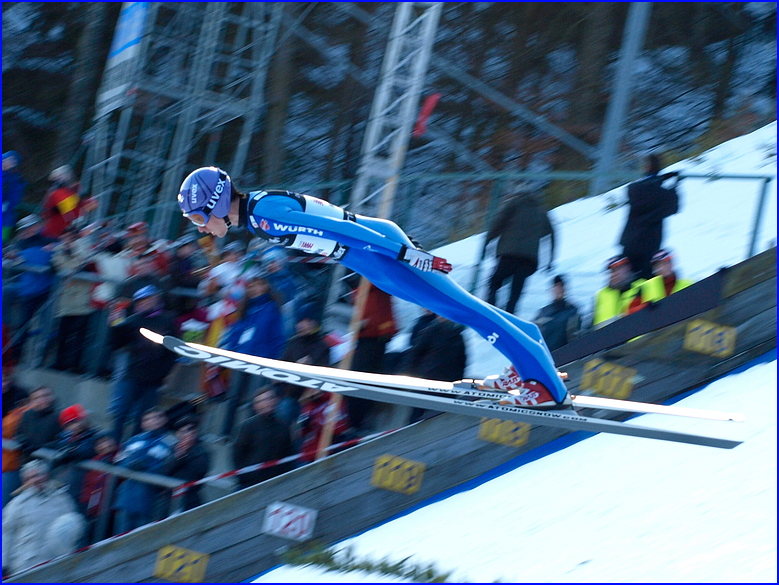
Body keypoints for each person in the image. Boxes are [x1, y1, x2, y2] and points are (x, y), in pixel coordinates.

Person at [175, 167, 570, 409]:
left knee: (461, 310)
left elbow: (345, 229)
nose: (199, 227)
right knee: (460, 307)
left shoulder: (265, 213)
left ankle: (546, 384)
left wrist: (405, 254)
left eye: (197, 217)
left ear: (215, 202)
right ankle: (529, 356)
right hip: (367, 258)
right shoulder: (256, 217)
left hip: (376, 250)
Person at [218, 269, 286, 438]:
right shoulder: (245, 308)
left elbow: (277, 338)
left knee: (253, 399)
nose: (254, 289)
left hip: (261, 360)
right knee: (233, 397)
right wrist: (231, 353)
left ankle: (246, 435)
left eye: (258, 285)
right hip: (240, 358)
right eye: (251, 286)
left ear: (266, 287)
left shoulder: (272, 308)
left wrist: (274, 362)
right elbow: (235, 333)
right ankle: (225, 432)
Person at [109, 285, 177, 441]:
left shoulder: (168, 319)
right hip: (133, 374)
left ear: (155, 299)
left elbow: (172, 350)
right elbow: (117, 344)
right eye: (140, 301)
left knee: (144, 419)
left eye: (146, 300)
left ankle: (134, 448)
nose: (143, 304)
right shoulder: (133, 320)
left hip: (154, 379)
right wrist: (114, 325)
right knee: (120, 412)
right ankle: (114, 447)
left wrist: (163, 373)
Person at [2, 459, 84, 576]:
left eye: (38, 475)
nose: (35, 480)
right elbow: (6, 534)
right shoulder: (16, 505)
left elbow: (74, 525)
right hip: (25, 566)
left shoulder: (62, 499)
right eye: (30, 478)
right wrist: (4, 564)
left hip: (57, 565)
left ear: (46, 475)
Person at [485, 188, 555, 315]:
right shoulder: (541, 211)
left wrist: (489, 240)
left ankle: (490, 311)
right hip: (529, 260)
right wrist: (551, 259)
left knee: (494, 283)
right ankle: (510, 315)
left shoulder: (514, 203)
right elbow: (552, 234)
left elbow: (499, 221)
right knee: (516, 292)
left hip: (509, 254)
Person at [112, 408, 176, 533]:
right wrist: (129, 465)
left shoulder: (171, 443)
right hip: (126, 499)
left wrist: (146, 468)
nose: (153, 421)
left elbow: (168, 468)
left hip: (149, 501)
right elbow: (119, 461)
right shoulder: (134, 440)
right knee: (119, 537)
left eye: (157, 417)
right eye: (148, 418)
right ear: (142, 423)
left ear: (164, 420)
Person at [619, 154, 680, 280]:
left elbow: (639, 189)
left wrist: (658, 180)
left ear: (645, 168)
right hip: (650, 244)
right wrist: (675, 185)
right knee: (647, 280)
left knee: (625, 279)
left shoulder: (635, 190)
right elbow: (674, 207)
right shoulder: (664, 195)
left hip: (631, 242)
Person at [402, 313, 468, 424]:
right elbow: (415, 354)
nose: (444, 318)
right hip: (426, 383)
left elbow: (461, 362)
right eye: (441, 315)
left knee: (439, 418)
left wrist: (457, 384)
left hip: (446, 386)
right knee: (416, 415)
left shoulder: (458, 336)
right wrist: (409, 375)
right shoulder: (430, 331)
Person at [232, 389, 294, 489]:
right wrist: (244, 477)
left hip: (274, 482)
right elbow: (238, 453)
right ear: (255, 406)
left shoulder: (283, 426)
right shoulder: (248, 426)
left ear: (276, 400)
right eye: (262, 401)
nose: (267, 403)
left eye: (270, 399)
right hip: (249, 482)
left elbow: (288, 451)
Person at [627, 248, 694, 314]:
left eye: (666, 263)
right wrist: (645, 306)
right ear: (654, 269)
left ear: (671, 264)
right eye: (658, 265)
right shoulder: (646, 287)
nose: (662, 267)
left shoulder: (688, 284)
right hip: (659, 323)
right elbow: (630, 310)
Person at [40, 165, 96, 240]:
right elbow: (68, 207)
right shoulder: (56, 193)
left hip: (74, 229)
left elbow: (93, 204)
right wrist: (80, 201)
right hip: (56, 234)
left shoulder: (76, 189)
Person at [168, 416, 211, 512]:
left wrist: (185, 455)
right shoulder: (173, 449)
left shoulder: (202, 451)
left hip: (189, 498)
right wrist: (177, 457)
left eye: (190, 431)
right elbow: (165, 470)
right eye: (182, 432)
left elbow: (197, 473)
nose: (186, 435)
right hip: (168, 497)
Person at [591, 256, 645, 330]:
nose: (614, 274)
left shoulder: (643, 286)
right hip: (607, 340)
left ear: (628, 268)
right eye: (611, 271)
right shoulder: (601, 295)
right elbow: (592, 325)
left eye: (618, 269)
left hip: (642, 339)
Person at [534, 275, 581, 351]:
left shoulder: (572, 311)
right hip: (546, 355)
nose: (559, 289)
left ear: (565, 289)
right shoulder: (544, 312)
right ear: (552, 290)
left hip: (564, 355)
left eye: (561, 286)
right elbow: (534, 334)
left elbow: (574, 337)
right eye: (556, 286)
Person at [2, 151, 25, 244]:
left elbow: (14, 199)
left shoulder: (14, 180)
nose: (7, 163)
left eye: (12, 162)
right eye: (7, 160)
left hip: (4, 219)